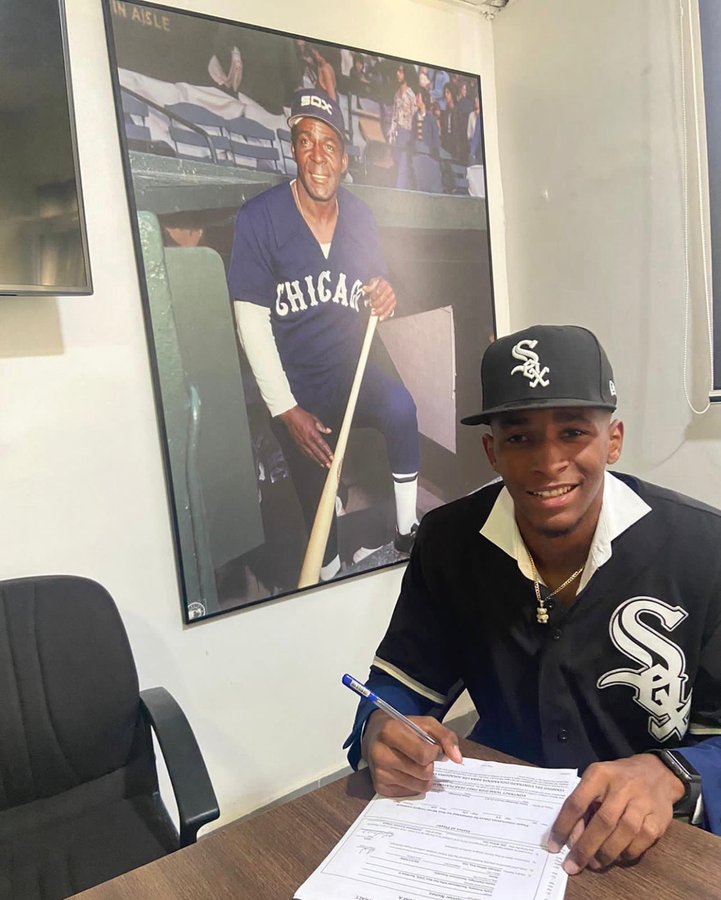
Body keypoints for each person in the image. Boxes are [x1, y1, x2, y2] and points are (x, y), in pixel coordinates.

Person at [345, 324, 721, 876]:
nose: (548, 461)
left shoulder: (703, 547)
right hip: (499, 835)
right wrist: (380, 729)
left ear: (613, 440)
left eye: (573, 432)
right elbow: (398, 685)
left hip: (652, 849)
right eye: (520, 438)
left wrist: (672, 774)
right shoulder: (449, 541)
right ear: (492, 451)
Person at [227, 88, 420, 582]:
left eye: (329, 144)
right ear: (294, 149)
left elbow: (374, 287)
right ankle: (333, 567)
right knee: (323, 539)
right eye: (306, 141)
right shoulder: (260, 217)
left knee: (401, 407)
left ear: (344, 159)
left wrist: (384, 294)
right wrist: (287, 410)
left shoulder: (361, 216)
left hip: (349, 374)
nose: (318, 155)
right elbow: (250, 323)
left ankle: (407, 532)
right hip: (297, 391)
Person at [389, 63, 417, 190]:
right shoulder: (396, 95)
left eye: (401, 71)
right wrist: (392, 133)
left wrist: (412, 138)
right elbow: (394, 116)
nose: (398, 74)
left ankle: (401, 190)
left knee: (404, 166)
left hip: (407, 134)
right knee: (396, 163)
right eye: (398, 71)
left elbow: (414, 116)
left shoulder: (411, 95)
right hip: (397, 134)